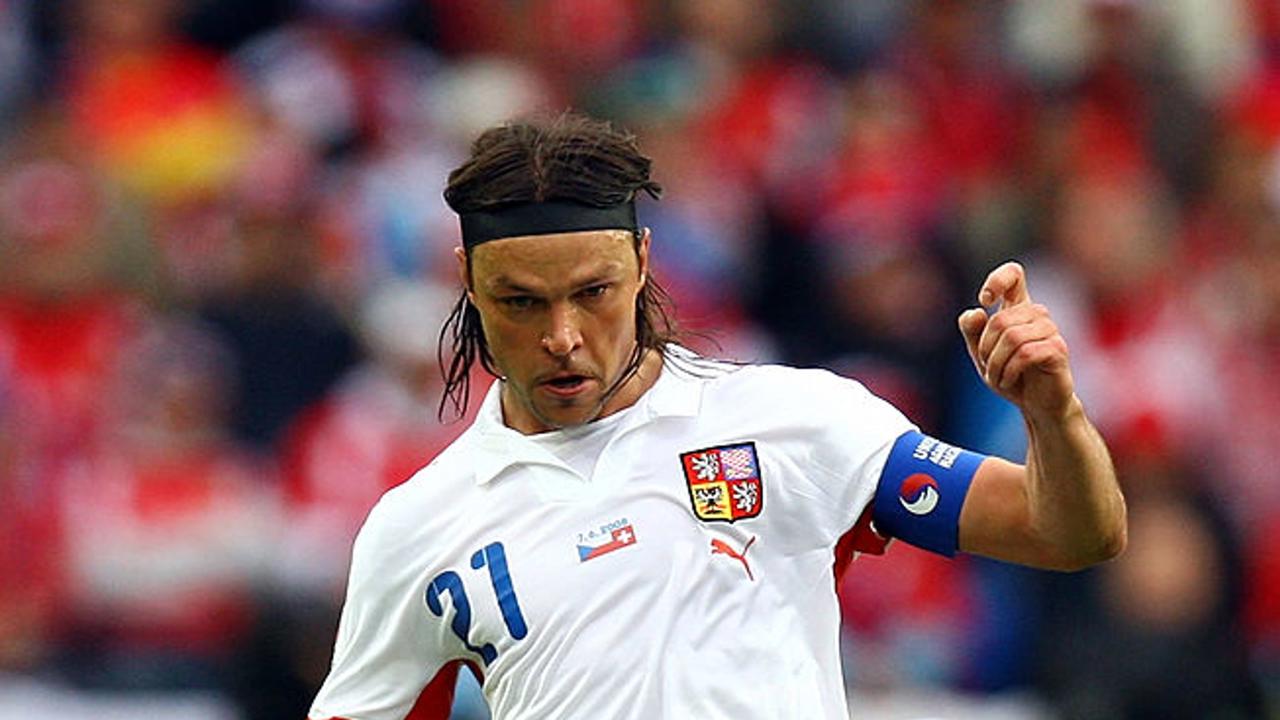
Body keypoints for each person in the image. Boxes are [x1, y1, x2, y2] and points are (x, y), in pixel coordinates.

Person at [307, 112, 1126, 720]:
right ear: (469, 283)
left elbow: (1071, 534)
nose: (562, 338)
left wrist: (1053, 413)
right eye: (521, 303)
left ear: (642, 263)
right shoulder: (417, 526)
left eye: (591, 294)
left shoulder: (792, 421)